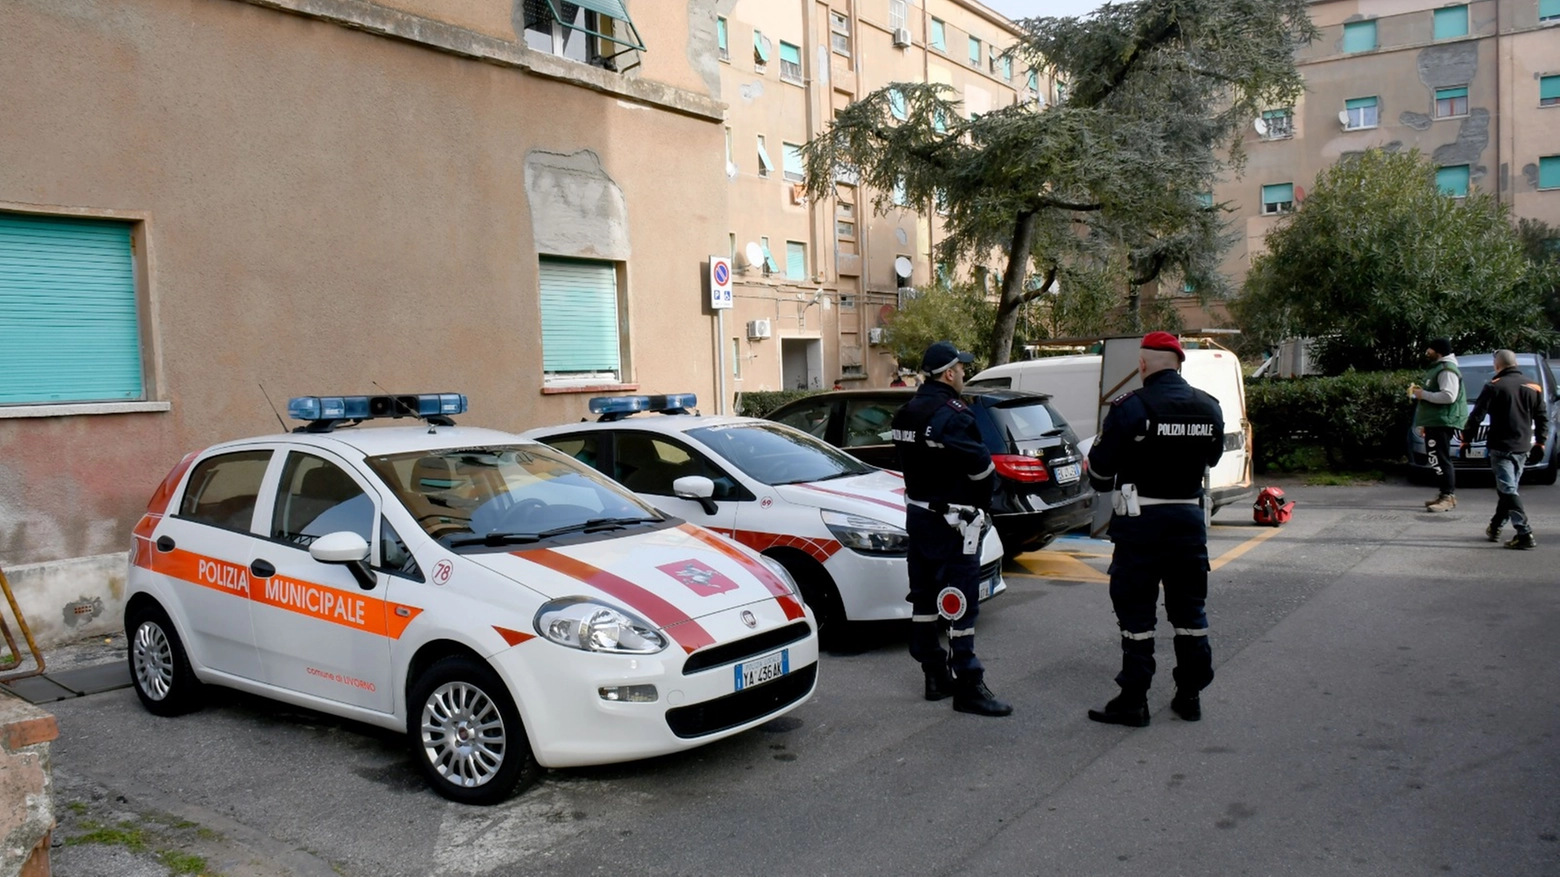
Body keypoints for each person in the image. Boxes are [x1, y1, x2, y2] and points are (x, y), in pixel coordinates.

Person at [1085, 332, 1224, 727]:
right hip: (1187, 523)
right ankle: (1190, 694)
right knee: (1189, 612)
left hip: (1140, 525)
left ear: (1142, 365)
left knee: (1136, 613)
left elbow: (1099, 472)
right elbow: (1210, 457)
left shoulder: (1130, 407)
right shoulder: (1208, 407)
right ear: (1179, 364)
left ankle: (1134, 699)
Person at [891, 340, 1011, 717]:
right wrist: (984, 501)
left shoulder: (905, 413)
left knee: (925, 598)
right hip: (955, 522)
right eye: (961, 369)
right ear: (949, 374)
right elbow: (982, 469)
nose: (964, 374)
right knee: (961, 602)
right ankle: (968, 685)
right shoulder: (953, 415)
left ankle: (934, 675)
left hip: (920, 517)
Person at [1462, 349, 1548, 549]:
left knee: (1508, 490)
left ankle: (1524, 532)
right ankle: (1495, 526)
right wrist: (1540, 442)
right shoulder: (1533, 386)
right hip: (1523, 446)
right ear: (1515, 364)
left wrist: (1466, 440)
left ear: (1497, 365)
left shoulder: (1494, 386)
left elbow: (1476, 416)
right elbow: (1542, 418)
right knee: (1509, 490)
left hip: (1500, 446)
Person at [1412, 338, 1467, 513]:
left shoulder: (1447, 370)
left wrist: (1423, 394)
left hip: (1443, 421)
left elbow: (1449, 396)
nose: (1427, 351)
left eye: (1430, 349)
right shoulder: (1438, 368)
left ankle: (1447, 496)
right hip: (1435, 421)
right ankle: (1444, 493)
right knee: (1435, 458)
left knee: (1441, 459)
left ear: (1439, 352)